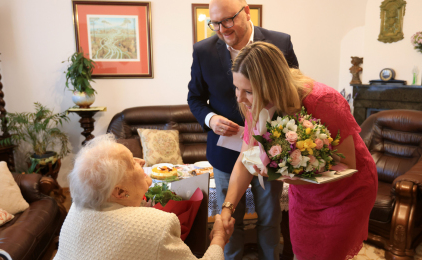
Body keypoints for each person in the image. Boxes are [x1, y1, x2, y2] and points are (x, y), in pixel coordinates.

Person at [221, 41, 378, 260]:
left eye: (248, 91)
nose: (239, 98)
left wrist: (289, 179)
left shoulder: (324, 100)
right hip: (305, 196)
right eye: (236, 88)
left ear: (271, 86)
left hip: (347, 192)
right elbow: (244, 160)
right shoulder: (253, 106)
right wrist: (227, 208)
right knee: (303, 252)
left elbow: (347, 164)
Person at [187, 0, 298, 259]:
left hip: (271, 148)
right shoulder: (202, 51)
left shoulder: (280, 43)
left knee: (270, 218)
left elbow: (294, 93)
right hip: (225, 153)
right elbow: (195, 98)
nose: (222, 28)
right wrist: (211, 119)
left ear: (246, 12)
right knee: (228, 220)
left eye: (228, 20)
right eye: (214, 23)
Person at [53, 134, 233, 260]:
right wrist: (218, 238)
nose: (142, 161)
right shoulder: (157, 225)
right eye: (132, 162)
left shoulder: (76, 209)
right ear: (120, 192)